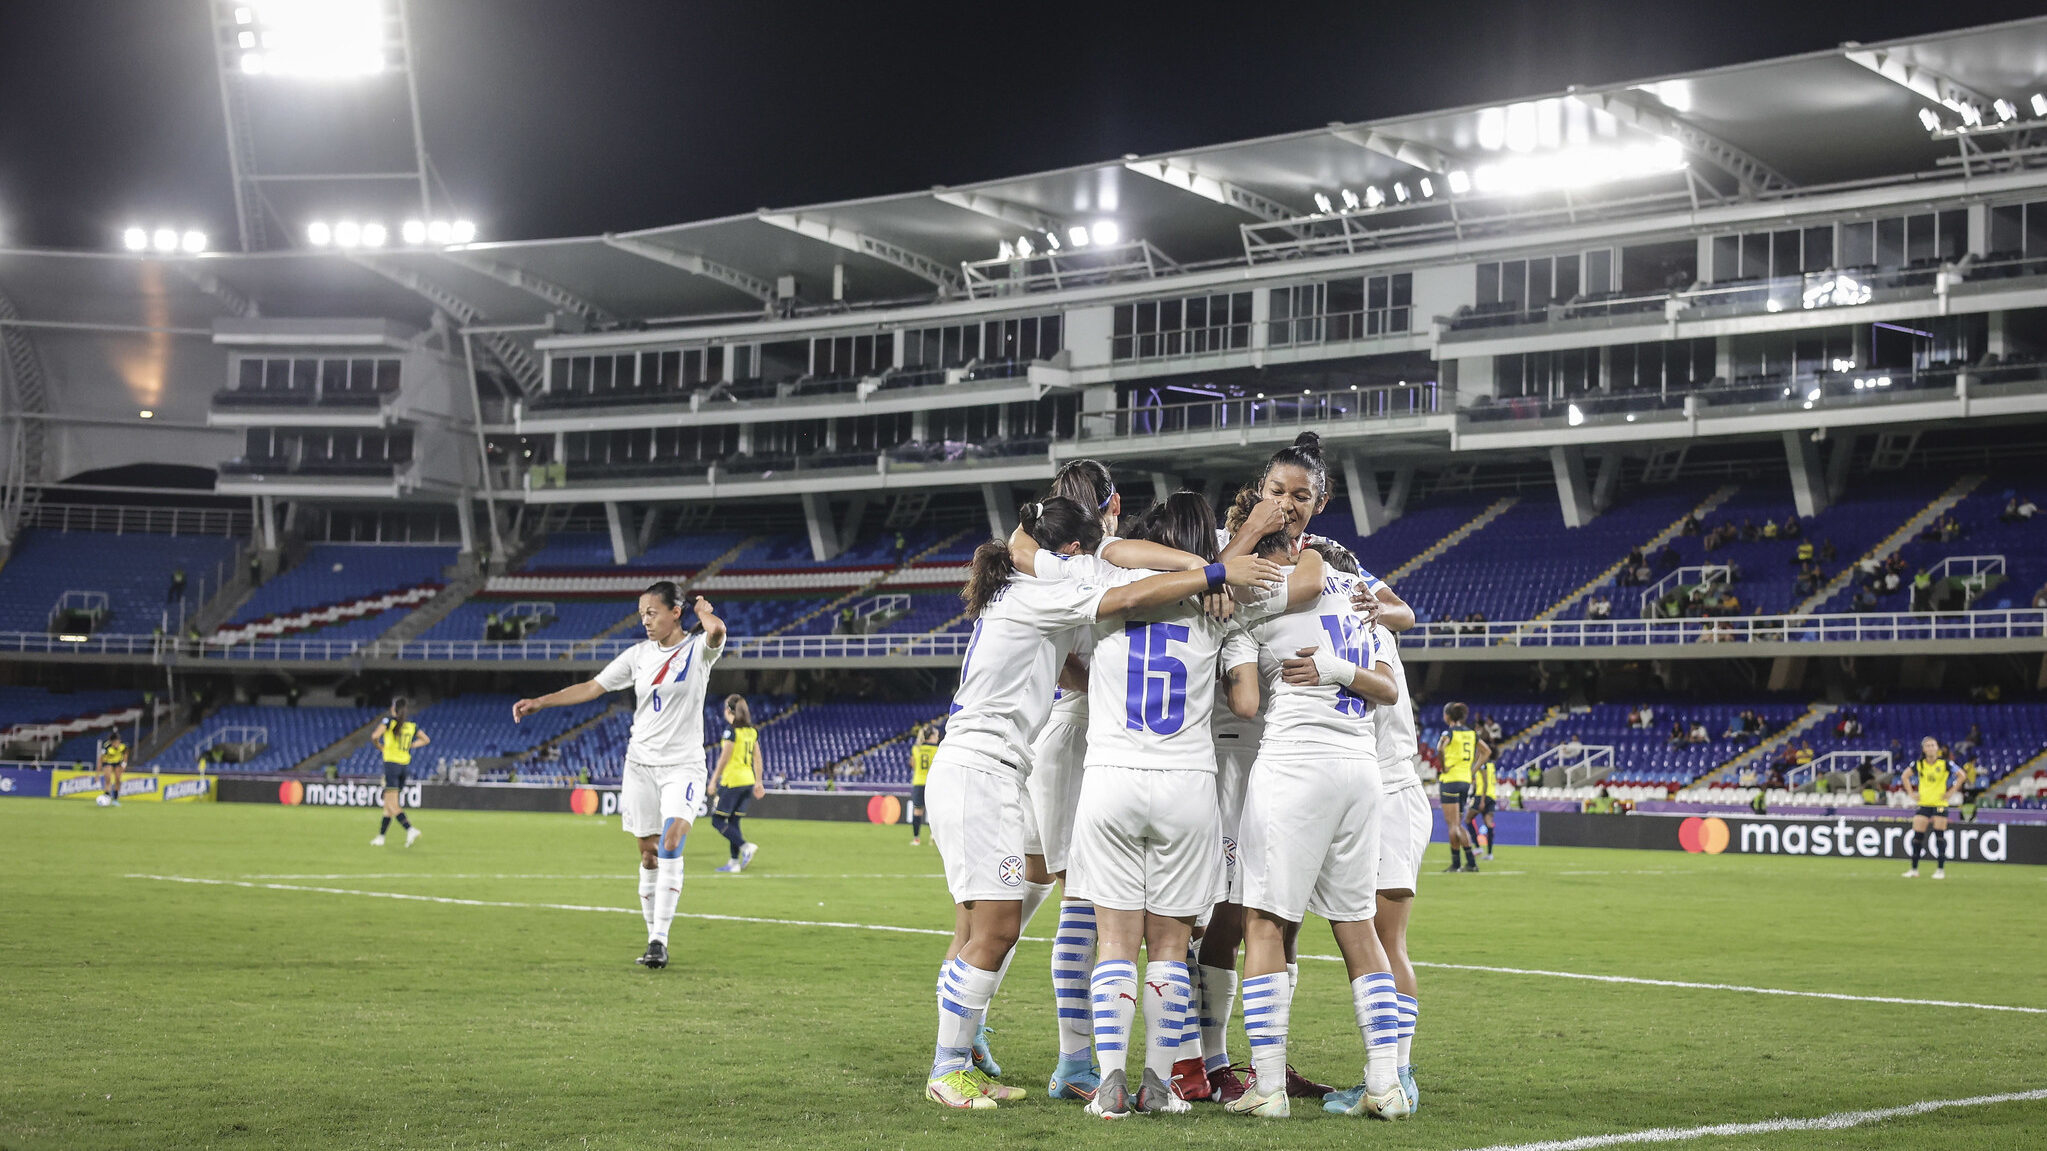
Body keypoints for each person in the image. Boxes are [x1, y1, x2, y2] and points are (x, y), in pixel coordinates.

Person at [920, 495, 1283, 1111]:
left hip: (1058, 776)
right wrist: (1225, 564)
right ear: (1070, 553)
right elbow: (1123, 583)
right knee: (1016, 927)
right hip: (1013, 774)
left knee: (1043, 927)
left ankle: (993, 1060)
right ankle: (951, 1065)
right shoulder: (1067, 589)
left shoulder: (1037, 577)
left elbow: (1100, 562)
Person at [1050, 490, 1315, 1119]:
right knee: (1170, 946)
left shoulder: (1118, 578)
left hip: (1111, 776)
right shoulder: (1218, 603)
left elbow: (1113, 547)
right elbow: (1247, 696)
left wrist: (1217, 562)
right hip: (1188, 785)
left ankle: (1110, 1087)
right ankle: (1160, 1085)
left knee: (1114, 941)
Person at [1224, 514, 1407, 1120]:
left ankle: (1269, 1088)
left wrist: (1235, 639)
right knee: (1358, 927)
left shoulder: (1260, 610)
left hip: (1296, 767)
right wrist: (1337, 671)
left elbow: (1246, 705)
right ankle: (1385, 1084)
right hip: (1360, 775)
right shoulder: (1361, 603)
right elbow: (1388, 689)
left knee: (1266, 923)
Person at [1285, 543, 1429, 1117]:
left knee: (1384, 942)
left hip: (1390, 794)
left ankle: (1398, 1076)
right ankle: (1387, 1074)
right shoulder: (1367, 633)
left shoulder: (1366, 638)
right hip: (1381, 793)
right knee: (1371, 939)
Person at [513, 583, 726, 971]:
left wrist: (702, 611)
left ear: (674, 612)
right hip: (640, 765)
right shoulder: (638, 656)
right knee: (648, 854)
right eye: (642, 613)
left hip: (683, 766)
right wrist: (540, 702)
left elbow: (716, 632)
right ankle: (651, 938)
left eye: (652, 612)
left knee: (672, 839)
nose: (645, 620)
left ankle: (661, 939)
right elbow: (593, 687)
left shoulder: (696, 650)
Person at [708, 694, 767, 873]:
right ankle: (734, 862)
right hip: (748, 780)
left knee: (717, 820)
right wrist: (758, 782)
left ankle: (745, 846)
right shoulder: (751, 731)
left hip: (733, 781)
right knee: (734, 822)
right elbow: (758, 758)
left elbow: (724, 758)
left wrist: (713, 780)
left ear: (728, 710)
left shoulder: (731, 731)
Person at [1436, 703, 1489, 873]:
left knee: (1453, 825)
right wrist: (1472, 770)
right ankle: (1470, 863)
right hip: (1465, 781)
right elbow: (1486, 752)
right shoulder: (1471, 733)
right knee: (1458, 823)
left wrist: (1443, 767)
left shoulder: (1448, 732)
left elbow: (1440, 748)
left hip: (1450, 780)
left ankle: (1457, 863)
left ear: (1448, 716)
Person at [369, 698, 428, 847]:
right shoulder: (411, 726)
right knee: (388, 805)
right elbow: (426, 740)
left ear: (393, 708)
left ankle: (410, 829)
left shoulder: (389, 722)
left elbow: (375, 736)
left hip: (392, 766)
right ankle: (381, 837)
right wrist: (411, 745)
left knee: (392, 804)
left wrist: (379, 746)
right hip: (403, 767)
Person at [1902, 737, 1957, 880]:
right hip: (1924, 804)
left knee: (1939, 837)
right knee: (1917, 838)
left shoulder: (1945, 764)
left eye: (1933, 745)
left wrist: (1951, 792)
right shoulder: (1919, 764)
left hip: (1939, 804)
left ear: (1937, 748)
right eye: (1928, 745)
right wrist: (1911, 793)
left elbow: (1962, 775)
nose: (1931, 747)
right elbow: (1904, 776)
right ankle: (1914, 869)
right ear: (1924, 749)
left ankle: (1940, 870)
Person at [908, 725, 938, 846]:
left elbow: (913, 765)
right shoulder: (937, 749)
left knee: (917, 811)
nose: (937, 738)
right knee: (934, 812)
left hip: (919, 782)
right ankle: (934, 836)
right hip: (933, 782)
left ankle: (916, 839)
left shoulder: (916, 749)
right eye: (936, 735)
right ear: (930, 737)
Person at [97, 731, 130, 805]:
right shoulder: (106, 746)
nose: (116, 744)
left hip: (118, 763)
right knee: (108, 779)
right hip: (108, 762)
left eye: (118, 742)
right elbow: (101, 759)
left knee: (118, 779)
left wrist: (124, 764)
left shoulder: (123, 746)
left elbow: (126, 754)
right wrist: (97, 773)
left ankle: (115, 799)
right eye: (115, 742)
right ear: (111, 742)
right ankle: (106, 797)